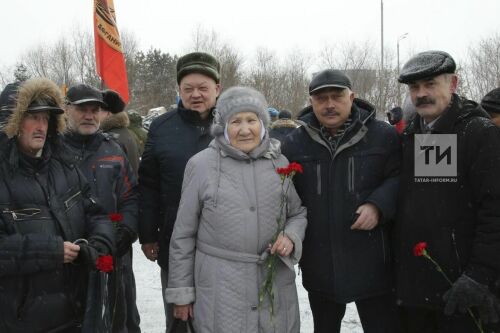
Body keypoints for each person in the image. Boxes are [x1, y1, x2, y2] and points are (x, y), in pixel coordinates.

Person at [166, 86, 307, 332]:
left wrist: (291, 236)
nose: (244, 129)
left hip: (272, 283)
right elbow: (183, 235)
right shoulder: (201, 165)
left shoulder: (279, 163)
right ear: (223, 127)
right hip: (221, 286)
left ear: (263, 124)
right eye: (235, 121)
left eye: (252, 120)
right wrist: (182, 294)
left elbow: (297, 213)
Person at [282, 69, 401, 333]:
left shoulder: (383, 135)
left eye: (337, 96)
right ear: (311, 101)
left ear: (352, 97)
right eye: (321, 98)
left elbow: (399, 177)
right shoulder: (294, 144)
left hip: (373, 262)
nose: (329, 105)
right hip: (320, 262)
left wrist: (377, 205)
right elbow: (287, 197)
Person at [394, 50, 500, 332]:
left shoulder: (478, 133)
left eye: (430, 84)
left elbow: (494, 210)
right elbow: (426, 206)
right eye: (414, 87)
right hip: (419, 292)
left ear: (453, 84)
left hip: (463, 291)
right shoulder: (412, 135)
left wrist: (480, 275)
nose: (421, 94)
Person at [0, 77, 114, 332]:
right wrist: (50, 251)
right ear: (13, 121)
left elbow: (97, 214)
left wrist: (98, 244)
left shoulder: (64, 165)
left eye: (46, 118)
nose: (41, 126)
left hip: (75, 312)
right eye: (33, 117)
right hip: (21, 320)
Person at [138, 51, 221, 331]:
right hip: (175, 239)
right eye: (188, 88)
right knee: (179, 316)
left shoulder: (234, 125)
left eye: (203, 88)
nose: (195, 94)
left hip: (223, 243)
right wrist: (148, 233)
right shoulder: (162, 128)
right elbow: (149, 184)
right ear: (179, 90)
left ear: (217, 89)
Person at [64, 84, 140, 333]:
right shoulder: (53, 151)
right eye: (82, 109)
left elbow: (130, 197)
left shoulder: (113, 149)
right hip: (70, 256)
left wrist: (126, 229)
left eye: (94, 109)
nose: (89, 115)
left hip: (111, 252)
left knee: (117, 316)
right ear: (66, 110)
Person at [99, 90, 141, 176]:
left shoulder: (111, 139)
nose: (95, 114)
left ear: (109, 113)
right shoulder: (125, 132)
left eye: (98, 110)